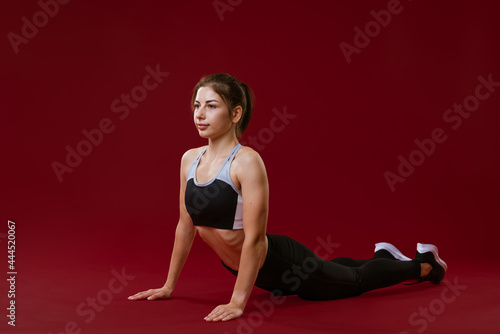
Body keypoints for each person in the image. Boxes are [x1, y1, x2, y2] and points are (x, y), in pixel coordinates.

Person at [128, 73, 447, 322]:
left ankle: (425, 265)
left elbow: (253, 240)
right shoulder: (190, 159)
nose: (200, 113)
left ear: (236, 112)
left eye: (212, 106)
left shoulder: (246, 162)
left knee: (353, 281)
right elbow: (186, 226)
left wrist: (238, 302)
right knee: (328, 272)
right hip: (247, 269)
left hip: (280, 261)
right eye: (197, 105)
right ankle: (386, 258)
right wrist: (168, 286)